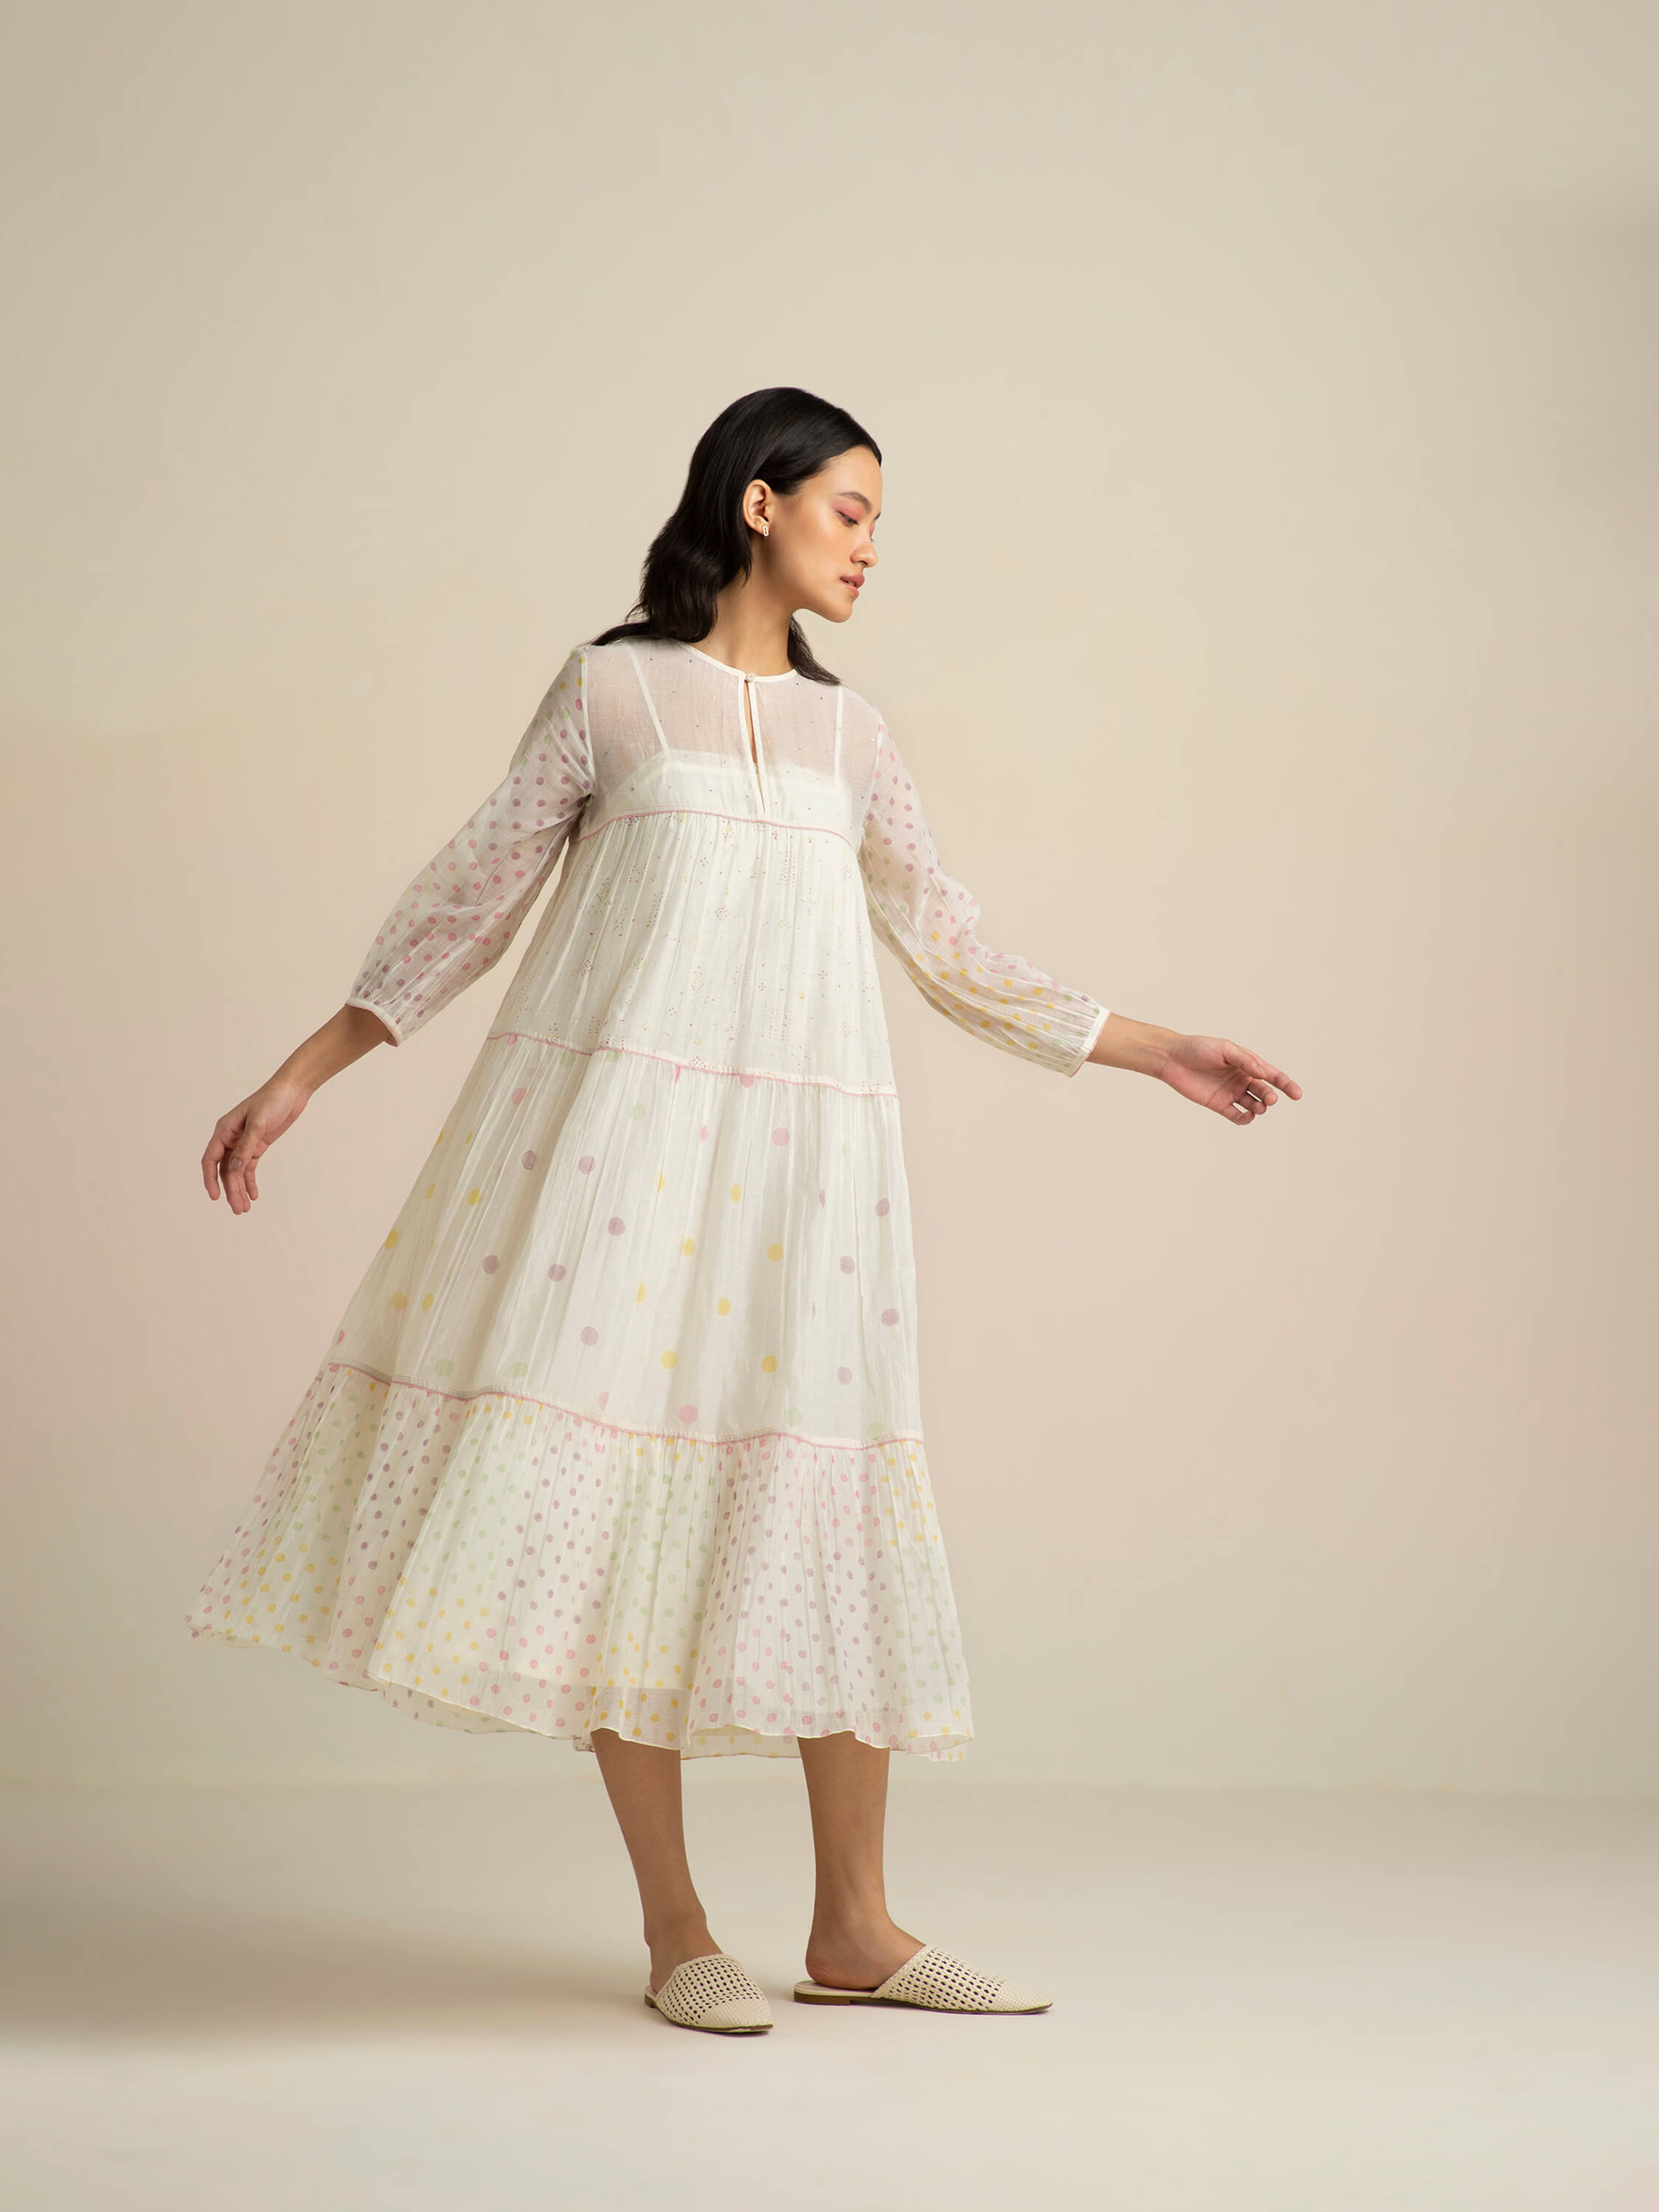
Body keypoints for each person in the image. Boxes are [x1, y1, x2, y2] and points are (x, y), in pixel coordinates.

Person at [191, 386, 1301, 2036]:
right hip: (626, 1165)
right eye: (852, 509)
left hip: (809, 1188)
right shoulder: (616, 696)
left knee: (818, 1511)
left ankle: (855, 1925)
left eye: (879, 520)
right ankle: (677, 1926)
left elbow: (952, 948)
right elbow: (467, 897)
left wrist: (1156, 1049)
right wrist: (304, 1069)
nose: (872, 548)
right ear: (761, 504)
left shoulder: (859, 742)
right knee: (615, 1506)